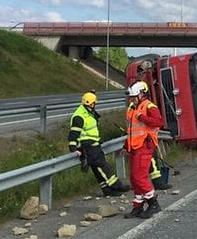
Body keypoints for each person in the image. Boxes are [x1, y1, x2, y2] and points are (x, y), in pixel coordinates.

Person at [68, 91, 130, 197]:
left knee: (97, 169)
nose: (95, 105)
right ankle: (116, 185)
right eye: (94, 103)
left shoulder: (88, 112)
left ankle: (107, 190)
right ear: (91, 104)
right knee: (102, 166)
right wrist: (73, 148)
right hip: (88, 146)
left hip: (92, 144)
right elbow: (74, 133)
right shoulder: (79, 116)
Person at [125, 81, 165, 218]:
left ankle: (153, 203)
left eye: (134, 96)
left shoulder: (149, 106)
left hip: (144, 146)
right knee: (134, 178)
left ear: (142, 94)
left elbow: (159, 122)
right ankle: (138, 206)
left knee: (140, 177)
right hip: (134, 147)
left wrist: (143, 117)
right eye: (131, 97)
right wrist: (126, 146)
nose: (132, 99)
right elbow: (131, 130)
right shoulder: (132, 108)